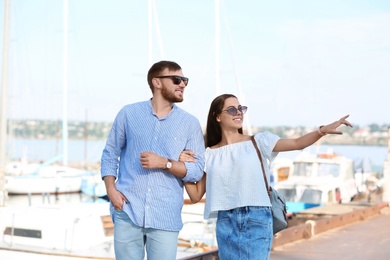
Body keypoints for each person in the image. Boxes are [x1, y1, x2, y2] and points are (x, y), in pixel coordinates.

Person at [181, 93, 352, 260]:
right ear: (217, 116)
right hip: (226, 222)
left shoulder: (259, 141)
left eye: (241, 108)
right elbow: (195, 195)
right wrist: (184, 165)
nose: (239, 112)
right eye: (232, 110)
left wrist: (322, 131)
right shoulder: (210, 154)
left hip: (256, 218)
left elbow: (297, 143)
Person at [100, 60, 205, 260]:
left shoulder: (190, 124)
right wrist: (111, 190)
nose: (182, 84)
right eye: (176, 79)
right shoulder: (128, 114)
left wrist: (166, 163)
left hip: (165, 215)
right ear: (157, 82)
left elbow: (197, 170)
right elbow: (110, 153)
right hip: (128, 210)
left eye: (184, 80)